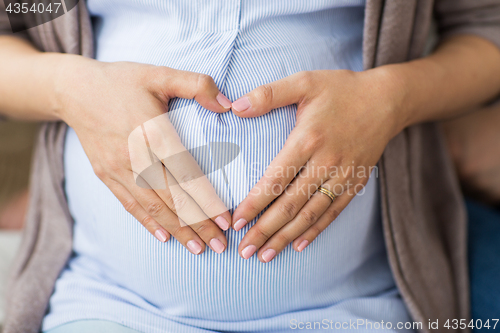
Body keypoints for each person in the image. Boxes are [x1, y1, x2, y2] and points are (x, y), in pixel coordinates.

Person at [1, 1, 500, 332]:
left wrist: (391, 98)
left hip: (352, 307)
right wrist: (69, 88)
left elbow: (485, 26)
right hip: (110, 302)